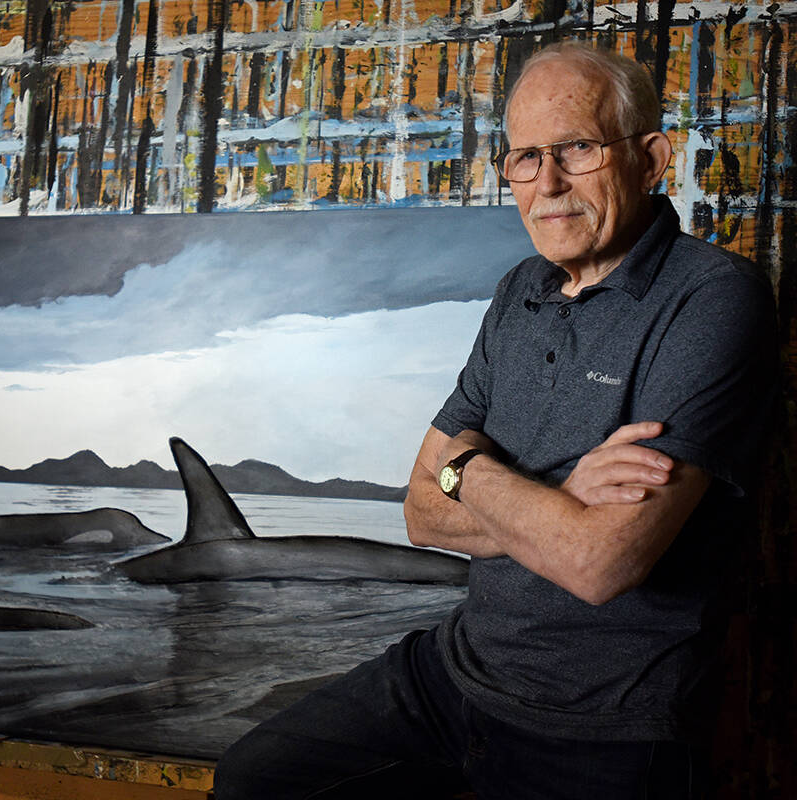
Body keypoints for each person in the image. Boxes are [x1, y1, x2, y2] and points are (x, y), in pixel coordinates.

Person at [213, 42, 776, 799]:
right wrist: (561, 494)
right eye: (523, 158)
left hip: (603, 726)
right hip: (455, 674)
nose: (546, 183)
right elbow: (419, 512)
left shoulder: (713, 299)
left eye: (577, 148)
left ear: (650, 159)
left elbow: (600, 563)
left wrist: (469, 471)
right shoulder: (520, 291)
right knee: (252, 781)